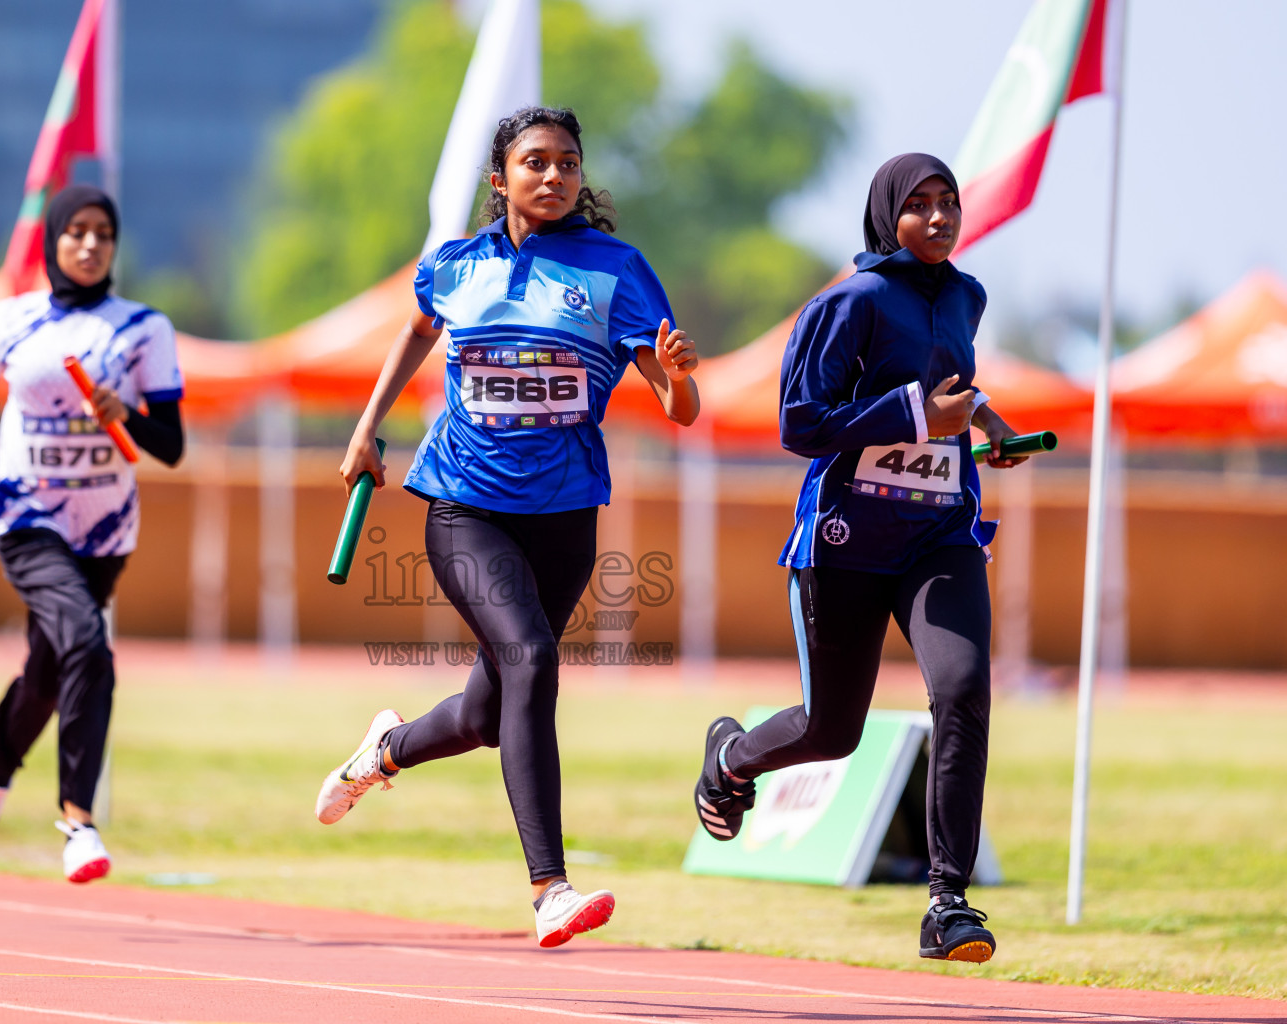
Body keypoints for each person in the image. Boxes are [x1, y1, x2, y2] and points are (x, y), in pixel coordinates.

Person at [316, 106, 701, 948]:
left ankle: (381, 754)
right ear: (501, 180)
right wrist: (365, 427)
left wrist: (679, 379)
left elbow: (679, 411)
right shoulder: (455, 266)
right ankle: (549, 889)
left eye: (568, 162)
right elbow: (416, 331)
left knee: (494, 711)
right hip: (464, 504)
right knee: (531, 660)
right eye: (535, 163)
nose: (554, 176)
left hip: (564, 514)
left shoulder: (617, 271)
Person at [692, 153, 1025, 963]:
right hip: (844, 541)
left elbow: (950, 386)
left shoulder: (967, 296)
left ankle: (949, 905)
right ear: (886, 217)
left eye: (949, 202)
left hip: (939, 534)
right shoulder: (851, 302)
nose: (941, 217)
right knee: (832, 730)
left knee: (964, 689)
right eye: (920, 205)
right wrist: (918, 415)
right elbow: (800, 425)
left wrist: (986, 421)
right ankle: (730, 758)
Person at [0, 184, 185, 884]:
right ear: (52, 241)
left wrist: (123, 414)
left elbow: (170, 444)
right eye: (75, 231)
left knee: (51, 668)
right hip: (27, 517)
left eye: (102, 233)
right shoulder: (9, 320)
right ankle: (78, 820)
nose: (88, 244)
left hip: (104, 529)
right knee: (87, 647)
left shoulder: (143, 330)